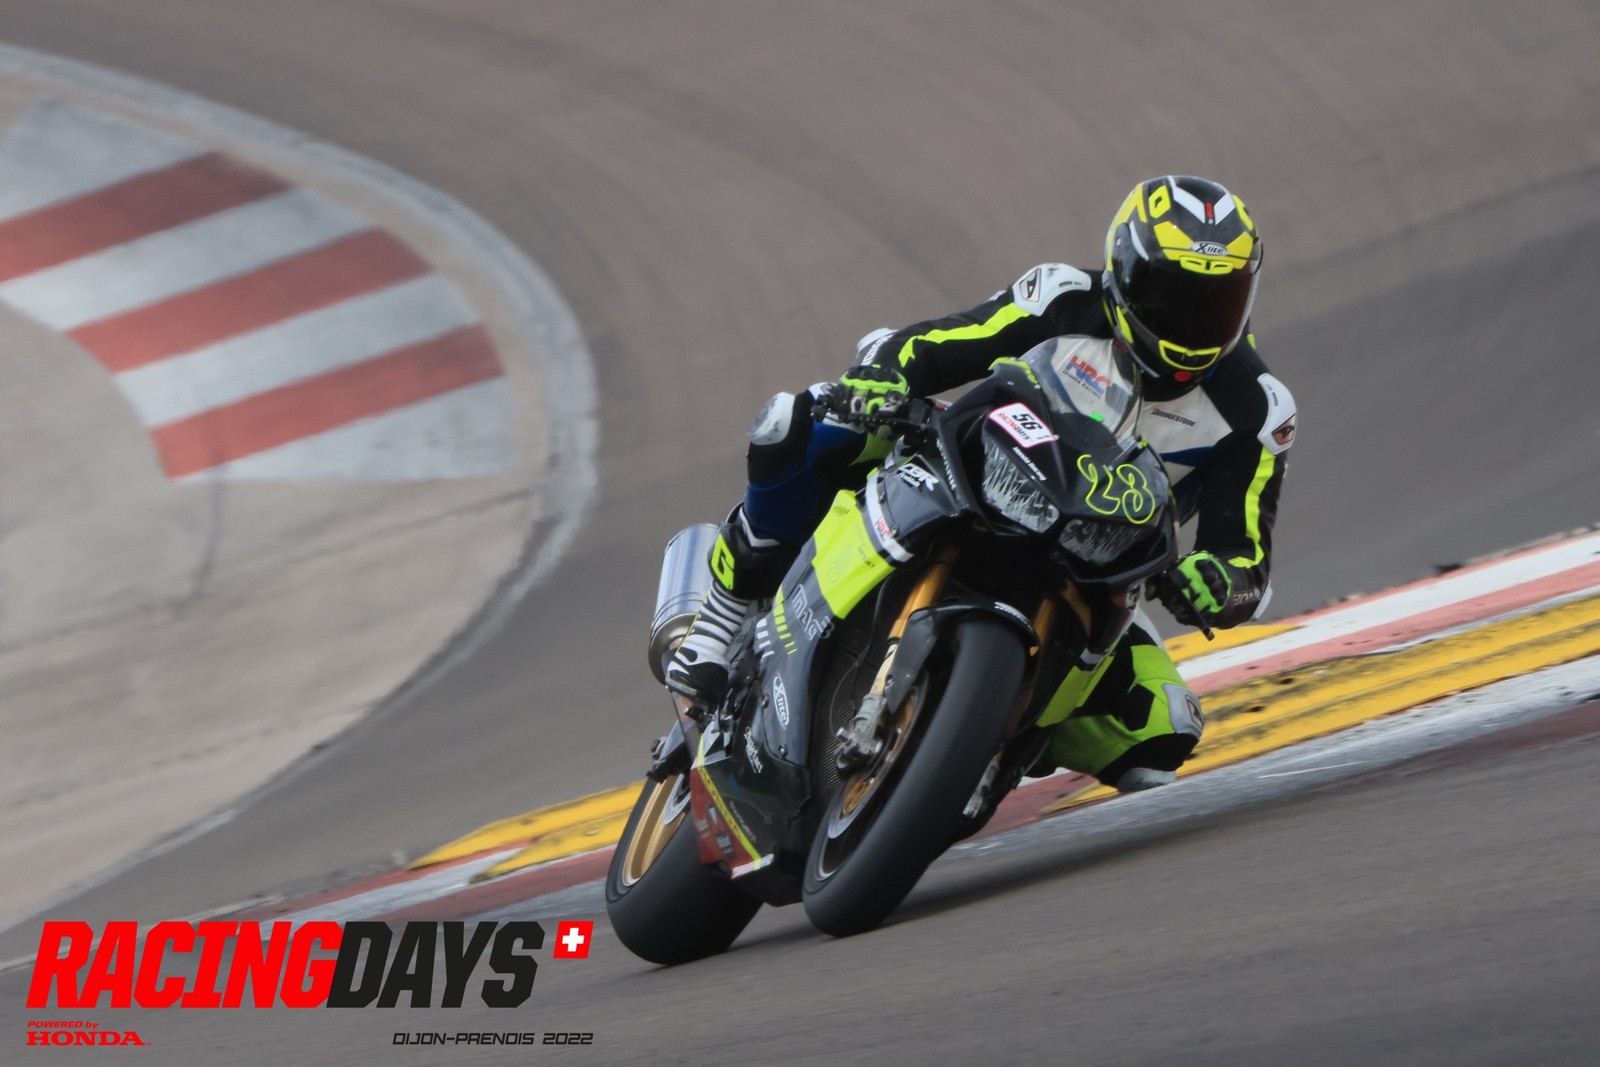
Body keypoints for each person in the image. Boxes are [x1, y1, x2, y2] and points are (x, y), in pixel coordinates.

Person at [668, 175, 1296, 793]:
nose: (1192, 322)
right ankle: (721, 616)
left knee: (1163, 728)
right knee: (804, 422)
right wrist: (883, 376)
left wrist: (1218, 582)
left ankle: (992, 743)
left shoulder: (1258, 409)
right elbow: (937, 343)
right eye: (1171, 296)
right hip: (978, 480)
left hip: (1093, 570)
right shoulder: (1063, 297)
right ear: (1125, 274)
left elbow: (1245, 558)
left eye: (1218, 302)